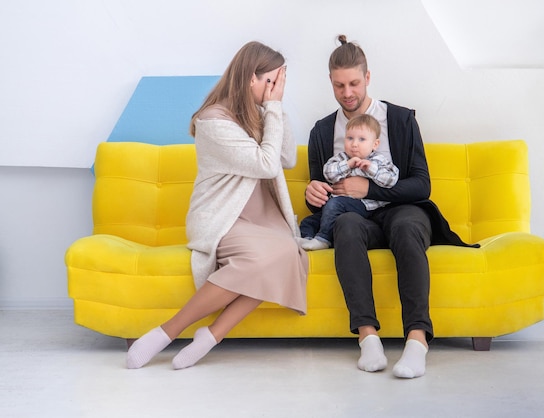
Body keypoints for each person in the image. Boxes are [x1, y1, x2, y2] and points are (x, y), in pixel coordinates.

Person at [304, 35, 478, 378]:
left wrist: (368, 187)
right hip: (355, 216)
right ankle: (368, 338)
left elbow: (421, 184)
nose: (348, 92)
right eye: (339, 85)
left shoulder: (399, 119)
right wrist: (313, 191)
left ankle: (417, 340)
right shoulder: (322, 131)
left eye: (354, 83)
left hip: (403, 210)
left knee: (406, 226)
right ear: (330, 82)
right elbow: (322, 194)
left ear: (368, 78)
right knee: (345, 227)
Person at [126, 41, 308, 370]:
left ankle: (211, 335)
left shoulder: (261, 113)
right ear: (251, 78)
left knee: (285, 254)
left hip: (264, 218)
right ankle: (167, 332)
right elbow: (267, 164)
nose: (274, 90)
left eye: (279, 83)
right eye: (271, 81)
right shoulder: (213, 121)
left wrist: (274, 108)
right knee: (260, 261)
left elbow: (287, 157)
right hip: (224, 217)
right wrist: (273, 109)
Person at [299, 114, 398, 251]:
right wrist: (347, 165)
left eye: (362, 139)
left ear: (375, 144)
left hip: (364, 206)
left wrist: (371, 169)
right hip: (334, 208)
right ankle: (307, 240)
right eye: (350, 138)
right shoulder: (341, 158)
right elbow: (328, 173)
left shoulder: (378, 161)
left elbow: (391, 179)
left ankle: (323, 239)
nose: (354, 144)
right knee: (309, 221)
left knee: (335, 203)